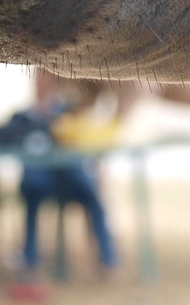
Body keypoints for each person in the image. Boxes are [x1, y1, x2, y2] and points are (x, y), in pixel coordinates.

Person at [14, 71, 118, 275]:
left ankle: (108, 260)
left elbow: (87, 141)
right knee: (32, 194)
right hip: (40, 181)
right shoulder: (22, 117)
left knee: (94, 197)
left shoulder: (71, 113)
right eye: (37, 81)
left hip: (71, 179)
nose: (40, 86)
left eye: (45, 81)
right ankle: (30, 259)